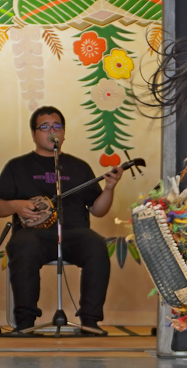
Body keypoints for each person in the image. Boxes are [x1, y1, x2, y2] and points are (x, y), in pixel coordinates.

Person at [0, 106, 123, 334]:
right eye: (44, 127)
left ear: (64, 133)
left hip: (75, 232)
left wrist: (110, 187)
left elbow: (98, 210)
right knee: (22, 247)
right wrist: (16, 205)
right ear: (34, 134)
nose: (51, 131)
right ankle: (25, 322)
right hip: (32, 234)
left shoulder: (79, 167)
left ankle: (90, 321)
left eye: (57, 126)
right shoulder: (17, 167)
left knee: (97, 246)